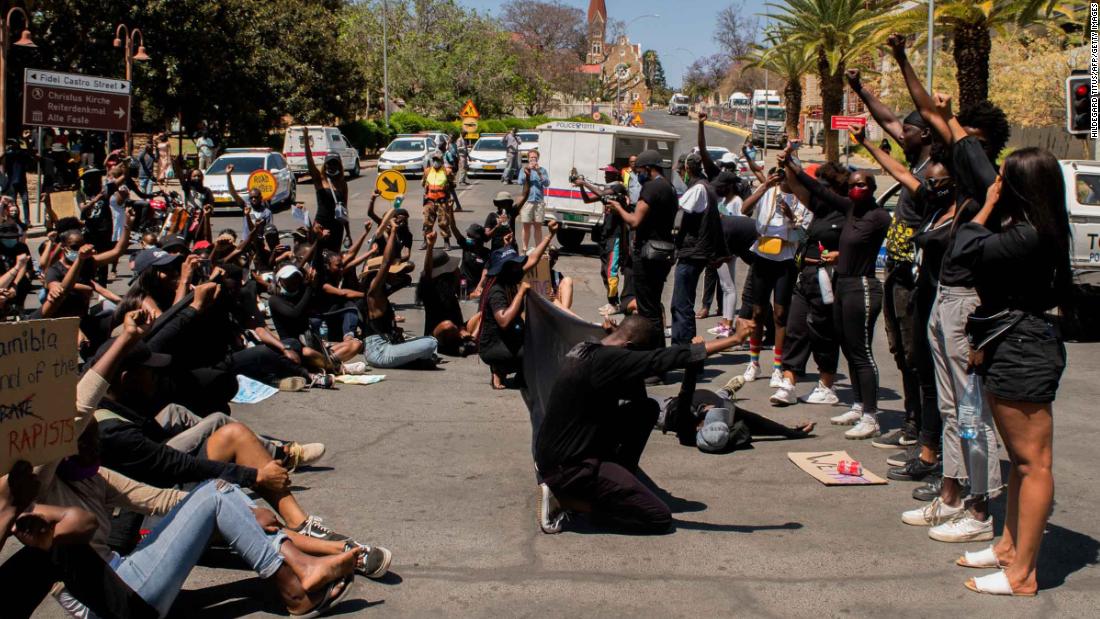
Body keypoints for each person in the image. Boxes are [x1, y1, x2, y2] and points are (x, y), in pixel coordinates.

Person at [948, 145, 1070, 597]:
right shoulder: (1031, 227)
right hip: (1010, 343)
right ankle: (1008, 549)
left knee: (1033, 463)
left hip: (1025, 348)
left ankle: (1023, 574)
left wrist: (989, 205)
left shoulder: (1030, 234)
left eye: (1004, 178)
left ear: (1019, 185)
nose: (995, 182)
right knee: (1020, 461)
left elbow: (961, 251)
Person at [534, 315, 755, 534]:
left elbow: (635, 383)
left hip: (555, 452)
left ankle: (613, 481)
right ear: (628, 348)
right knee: (657, 516)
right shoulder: (610, 361)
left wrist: (614, 332)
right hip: (569, 467)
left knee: (645, 409)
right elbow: (666, 358)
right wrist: (735, 339)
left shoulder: (587, 347)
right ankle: (567, 501)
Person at [848, 59, 936, 453]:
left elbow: (897, 162)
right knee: (900, 351)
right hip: (896, 272)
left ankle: (919, 425)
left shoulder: (934, 169)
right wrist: (861, 89)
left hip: (915, 276)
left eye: (910, 129)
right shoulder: (918, 157)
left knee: (915, 354)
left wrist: (901, 61)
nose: (903, 133)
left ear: (927, 133)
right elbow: (886, 120)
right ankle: (913, 419)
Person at [782, 150, 891, 440]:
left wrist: (840, 255)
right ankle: (857, 404)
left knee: (862, 353)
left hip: (862, 287)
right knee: (849, 349)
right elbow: (817, 188)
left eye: (863, 184)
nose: (857, 188)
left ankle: (871, 415)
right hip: (842, 285)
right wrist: (792, 165)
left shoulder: (879, 216)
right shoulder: (850, 209)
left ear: (872, 189)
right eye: (854, 183)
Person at [768, 162, 846, 407]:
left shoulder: (846, 214)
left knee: (823, 333)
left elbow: (858, 246)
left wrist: (839, 255)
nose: (818, 192)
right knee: (795, 328)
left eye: (824, 187)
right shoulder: (817, 211)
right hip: (806, 276)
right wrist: (788, 163)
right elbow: (796, 188)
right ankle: (788, 383)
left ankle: (826, 385)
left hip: (827, 280)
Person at [605, 149, 677, 363]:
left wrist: (618, 208)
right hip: (662, 254)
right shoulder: (669, 188)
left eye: (639, 171)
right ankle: (659, 360)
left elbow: (635, 221)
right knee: (653, 308)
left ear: (648, 169)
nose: (637, 175)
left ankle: (651, 362)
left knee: (647, 312)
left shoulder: (651, 187)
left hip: (648, 256)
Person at [739, 163, 807, 387]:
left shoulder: (801, 199)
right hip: (763, 255)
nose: (782, 177)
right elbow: (744, 209)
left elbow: (803, 235)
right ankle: (754, 362)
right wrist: (764, 186)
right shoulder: (768, 191)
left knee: (780, 313)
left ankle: (778, 367)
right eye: (780, 174)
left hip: (786, 258)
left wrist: (790, 216)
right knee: (758, 312)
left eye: (786, 174)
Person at [478, 221, 559, 389]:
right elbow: (503, 321)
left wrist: (549, 235)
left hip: (509, 339)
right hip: (493, 346)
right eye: (514, 264)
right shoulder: (497, 290)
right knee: (537, 352)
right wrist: (521, 292)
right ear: (504, 269)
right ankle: (503, 369)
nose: (519, 267)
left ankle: (508, 371)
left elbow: (534, 259)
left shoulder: (511, 277)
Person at [360, 218, 439, 368]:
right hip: (380, 351)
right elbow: (386, 262)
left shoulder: (381, 292)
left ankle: (418, 360)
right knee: (431, 342)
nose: (394, 276)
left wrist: (430, 246)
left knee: (427, 341)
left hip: (384, 347)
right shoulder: (373, 291)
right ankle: (419, 359)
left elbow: (406, 278)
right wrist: (394, 231)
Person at [670, 152, 727, 346]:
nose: (680, 176)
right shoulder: (706, 187)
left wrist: (673, 234)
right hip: (699, 252)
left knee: (680, 304)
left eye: (680, 172)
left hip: (692, 252)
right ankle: (690, 350)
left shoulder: (698, 189)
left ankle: (683, 350)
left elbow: (680, 215)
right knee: (684, 303)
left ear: (687, 169)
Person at [575, 165, 628, 315]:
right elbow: (587, 200)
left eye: (608, 173)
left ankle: (615, 304)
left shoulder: (618, 187)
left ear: (614, 175)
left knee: (611, 271)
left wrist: (584, 183)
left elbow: (602, 193)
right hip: (605, 237)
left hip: (615, 237)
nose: (605, 176)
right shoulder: (607, 191)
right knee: (604, 271)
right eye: (605, 173)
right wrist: (581, 188)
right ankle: (612, 301)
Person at [419, 232, 480, 356]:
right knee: (448, 326)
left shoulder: (451, 286)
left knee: (481, 316)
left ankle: (471, 343)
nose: (455, 270)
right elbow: (427, 272)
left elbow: (459, 311)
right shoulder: (430, 289)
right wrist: (430, 247)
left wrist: (462, 330)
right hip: (437, 333)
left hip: (458, 329)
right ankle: (462, 345)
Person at [303, 133, 349, 251]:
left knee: (334, 258)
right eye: (329, 163)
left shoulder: (342, 183)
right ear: (325, 164)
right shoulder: (320, 180)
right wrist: (306, 138)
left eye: (335, 163)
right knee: (317, 254)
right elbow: (310, 162)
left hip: (337, 227)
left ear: (339, 165)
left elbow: (345, 209)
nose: (331, 166)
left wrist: (348, 233)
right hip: (321, 225)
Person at [515, 150, 550, 253]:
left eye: (535, 158)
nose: (533, 159)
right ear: (528, 158)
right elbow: (520, 181)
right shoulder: (523, 169)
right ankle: (525, 248)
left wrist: (538, 172)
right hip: (527, 201)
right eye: (531, 157)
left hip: (539, 201)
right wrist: (527, 173)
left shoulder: (542, 170)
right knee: (526, 226)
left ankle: (538, 248)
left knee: (538, 226)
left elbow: (547, 183)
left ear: (537, 159)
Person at [421, 155, 453, 249]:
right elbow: (423, 183)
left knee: (444, 222)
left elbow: (452, 184)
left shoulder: (447, 171)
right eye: (434, 160)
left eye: (438, 160)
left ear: (441, 161)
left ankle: (446, 243)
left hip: (442, 201)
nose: (435, 162)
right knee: (427, 222)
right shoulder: (427, 171)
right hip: (429, 200)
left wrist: (449, 197)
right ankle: (425, 242)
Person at [1, 138, 35, 222]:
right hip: (19, 182)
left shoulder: (11, 154)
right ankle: (22, 220)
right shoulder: (20, 153)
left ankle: (20, 220)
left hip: (15, 182)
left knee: (18, 201)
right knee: (22, 201)